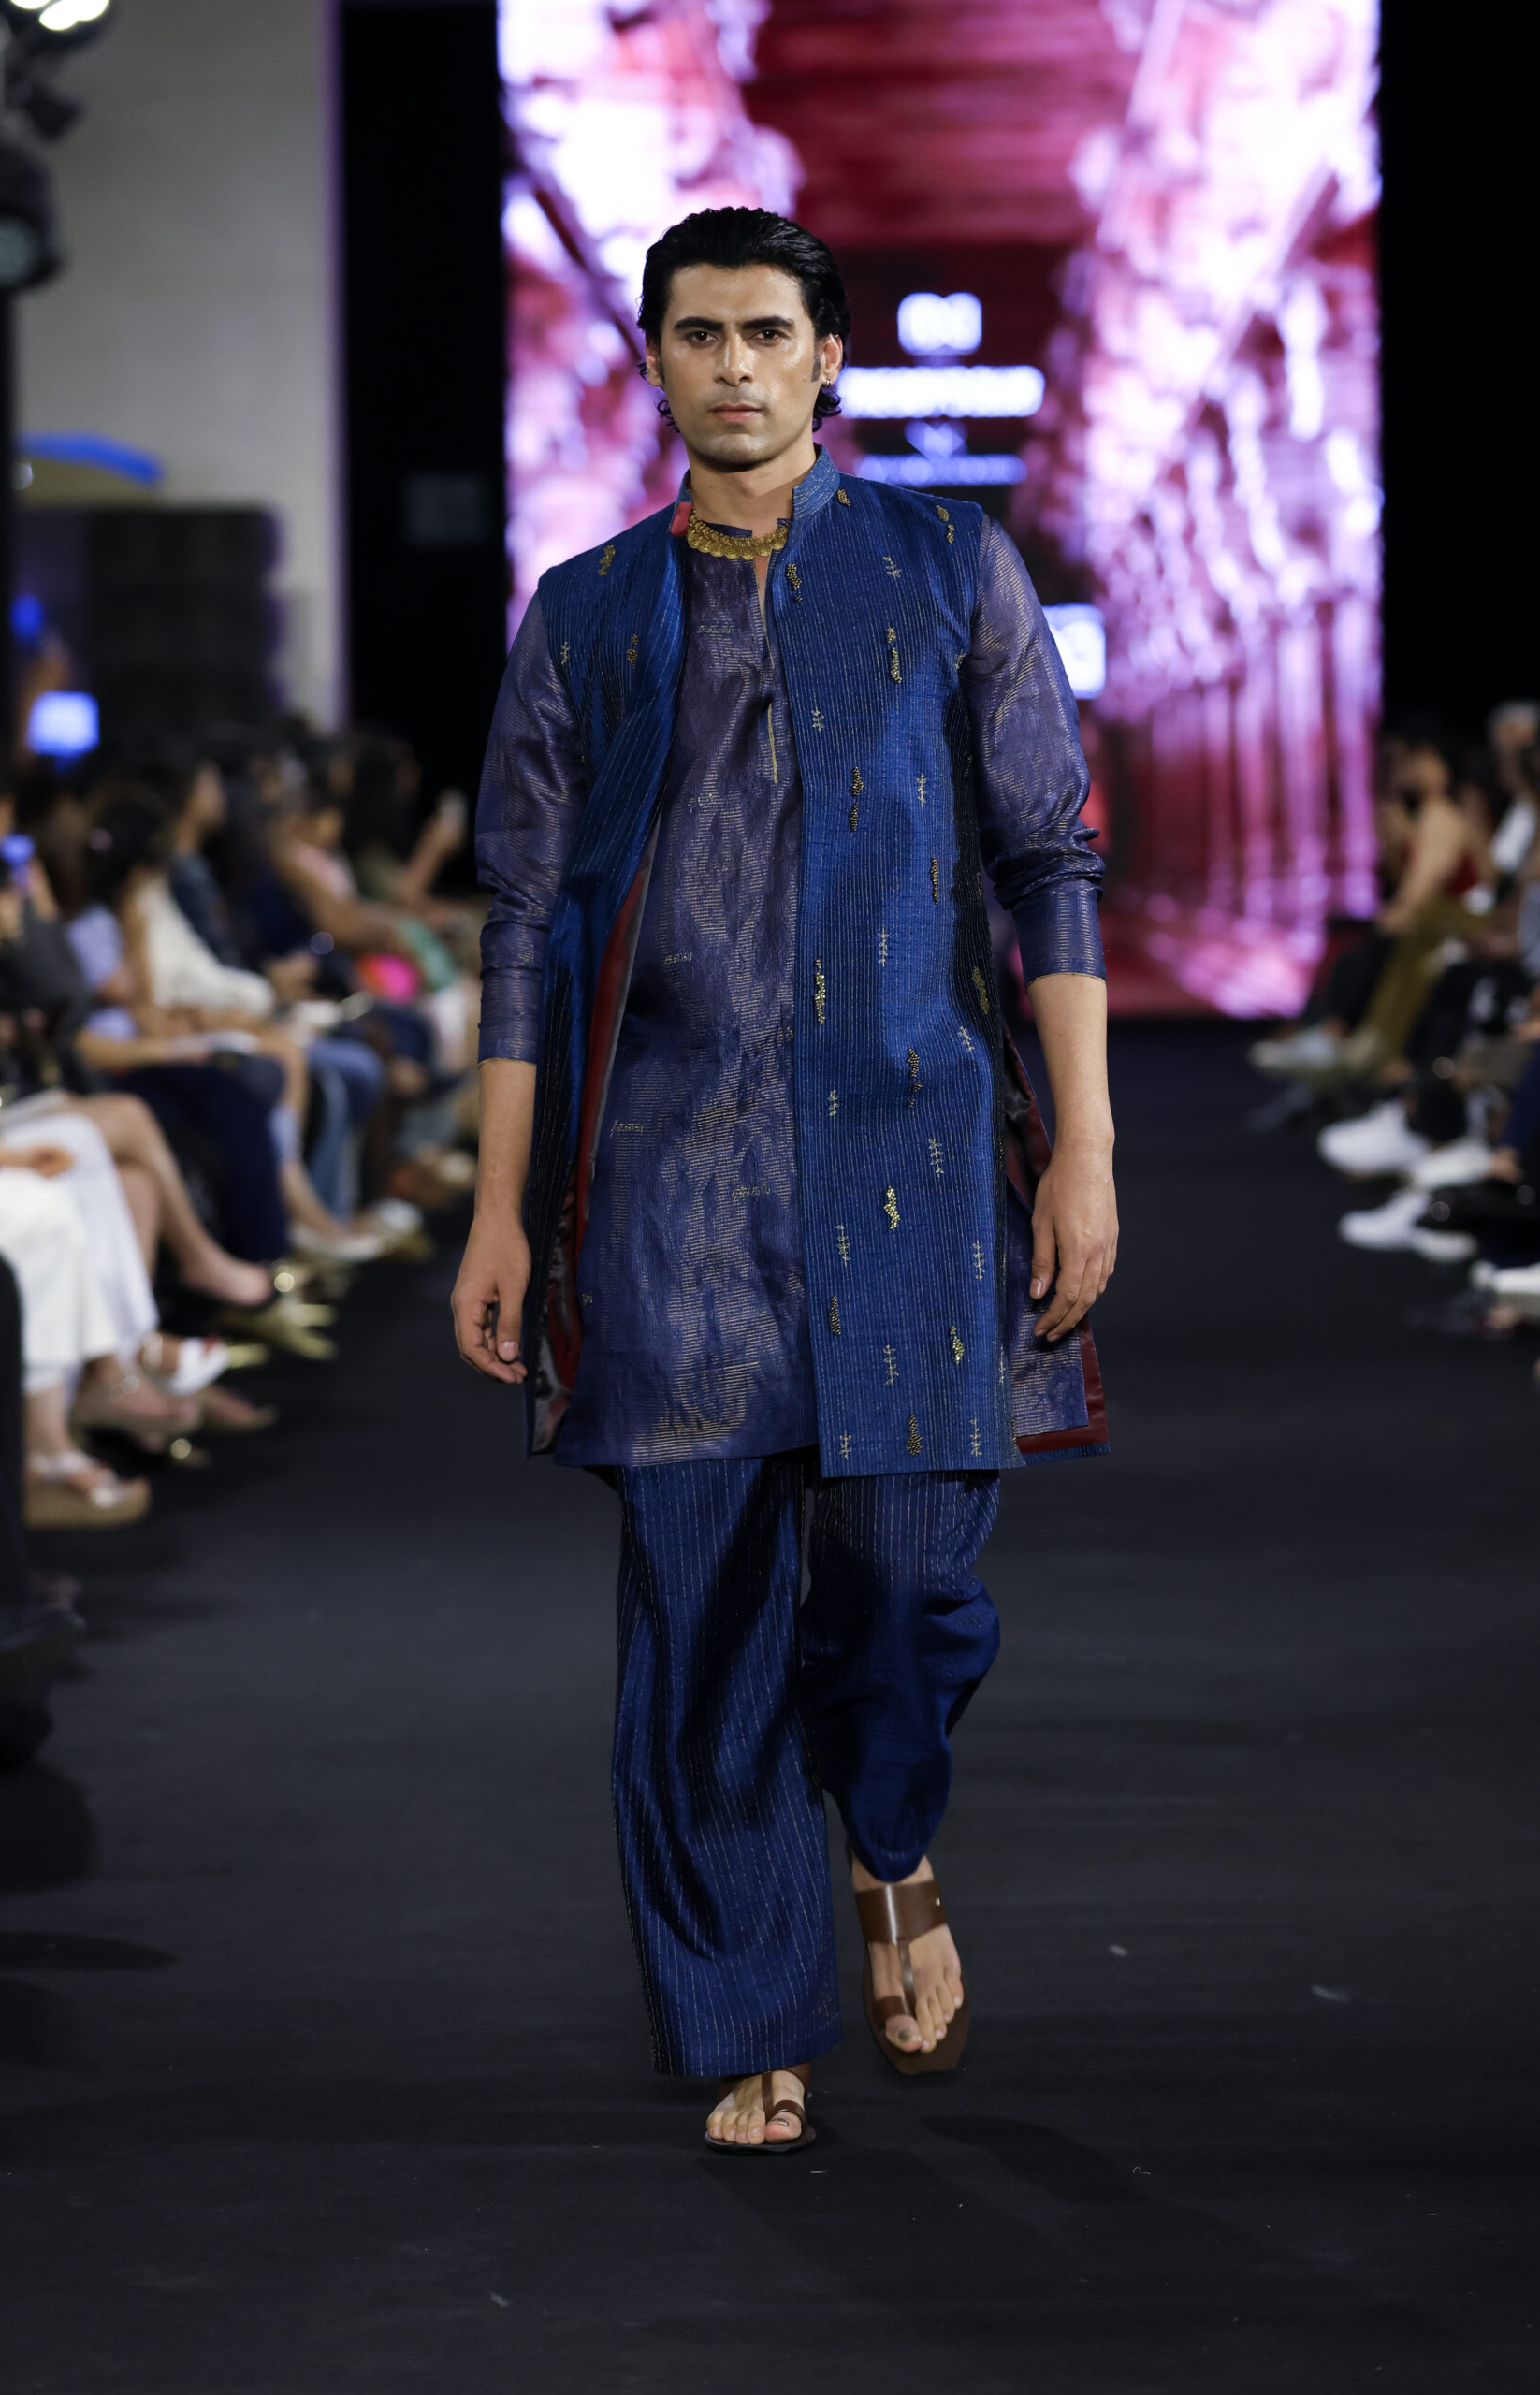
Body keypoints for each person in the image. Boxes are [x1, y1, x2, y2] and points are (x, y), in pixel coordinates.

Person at [456, 208, 1116, 2154]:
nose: (732, 366)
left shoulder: (943, 567)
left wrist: (1082, 1145)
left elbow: (1047, 861)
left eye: (765, 332)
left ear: (829, 358)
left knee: (907, 1587)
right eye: (697, 334)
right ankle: (750, 2007)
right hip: (668, 1170)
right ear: (652, 362)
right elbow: (518, 924)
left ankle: (890, 1842)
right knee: (701, 1610)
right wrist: (497, 1206)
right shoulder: (586, 610)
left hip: (917, 1150)